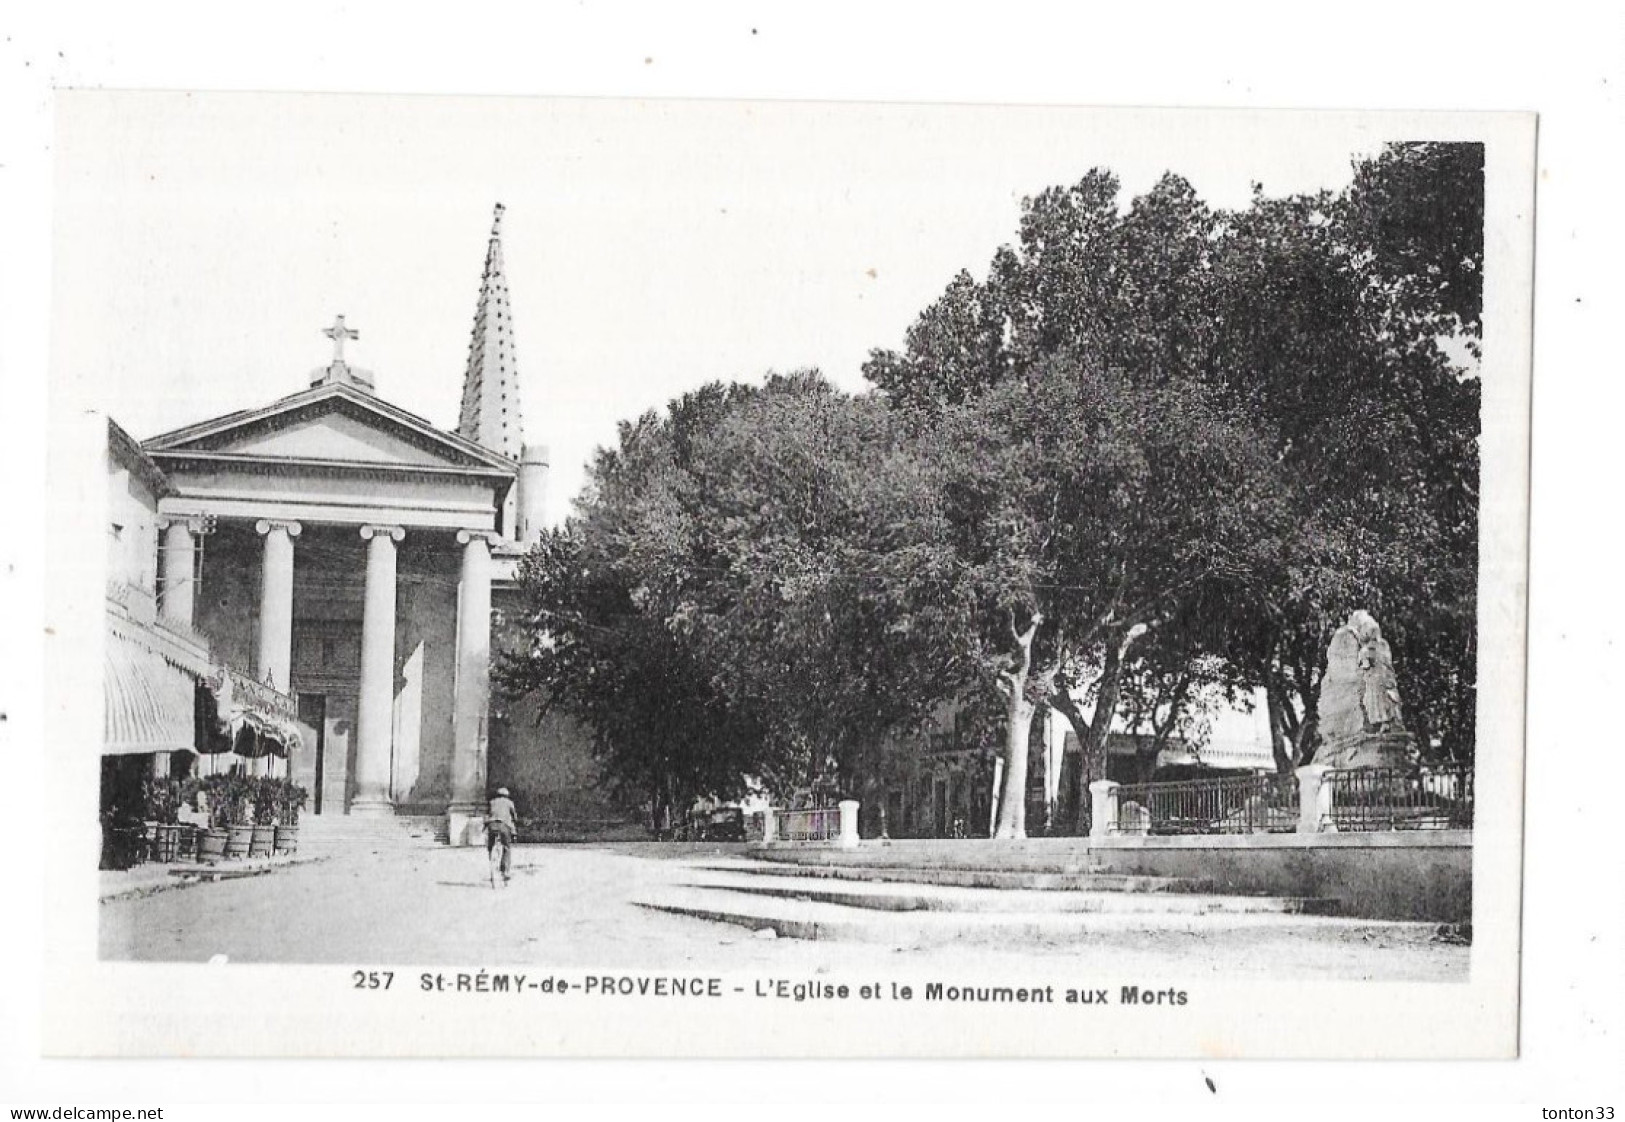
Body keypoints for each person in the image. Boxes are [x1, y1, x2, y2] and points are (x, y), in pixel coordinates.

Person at [487, 787, 517, 883]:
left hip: (492, 825)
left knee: (490, 845)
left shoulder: (492, 802)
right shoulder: (509, 803)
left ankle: (491, 857)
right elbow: (514, 816)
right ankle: (505, 871)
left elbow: (488, 813)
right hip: (504, 826)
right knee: (507, 847)